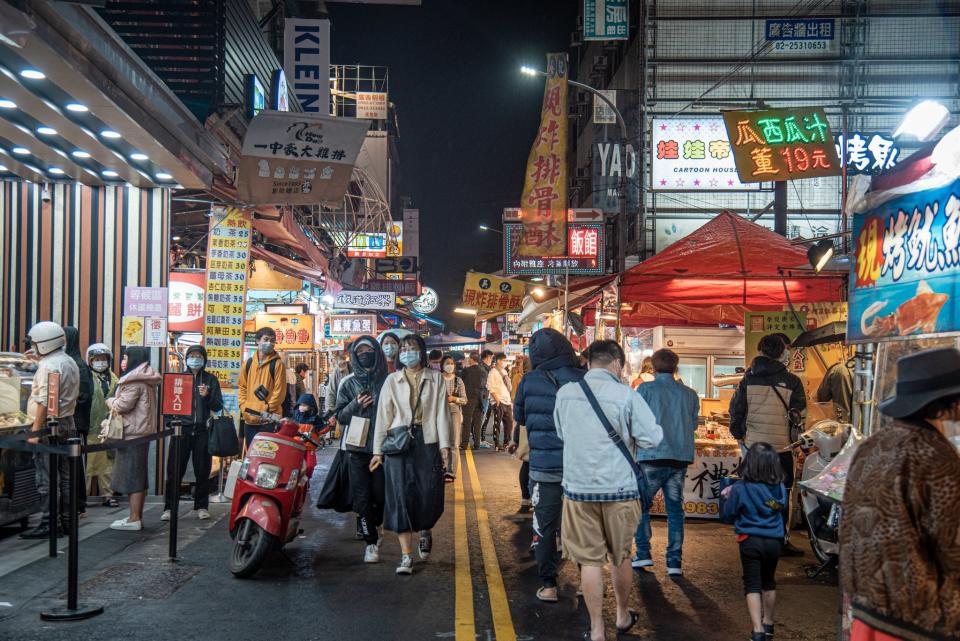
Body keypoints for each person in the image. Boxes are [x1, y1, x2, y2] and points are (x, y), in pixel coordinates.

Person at [840, 347, 960, 641]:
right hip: (915, 620)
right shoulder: (938, 457)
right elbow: (952, 547)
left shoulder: (871, 446)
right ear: (949, 403)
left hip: (866, 612)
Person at [554, 339, 662, 640]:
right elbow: (652, 438)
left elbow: (562, 433)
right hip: (620, 490)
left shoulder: (566, 393)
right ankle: (622, 615)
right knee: (621, 555)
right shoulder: (626, 395)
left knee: (589, 561)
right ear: (617, 363)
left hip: (578, 490)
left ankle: (597, 629)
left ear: (588, 362)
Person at [509, 328, 585, 602]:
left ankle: (549, 585)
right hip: (579, 468)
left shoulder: (529, 381)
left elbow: (521, 418)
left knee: (544, 526)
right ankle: (584, 583)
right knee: (580, 527)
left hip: (543, 469)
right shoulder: (583, 378)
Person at [371, 334, 451, 575]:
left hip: (427, 442)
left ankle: (425, 529)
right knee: (399, 497)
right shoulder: (391, 381)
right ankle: (406, 555)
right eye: (403, 348)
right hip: (398, 444)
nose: (407, 352)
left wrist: (445, 446)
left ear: (421, 351)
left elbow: (442, 414)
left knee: (428, 492)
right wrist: (377, 450)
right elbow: (383, 416)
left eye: (412, 348)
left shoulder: (436, 379)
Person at [729, 334, 806, 556]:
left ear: (761, 351)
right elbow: (799, 416)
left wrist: (740, 436)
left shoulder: (747, 379)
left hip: (754, 447)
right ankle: (779, 540)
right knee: (782, 494)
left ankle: (752, 537)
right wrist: (796, 440)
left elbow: (736, 410)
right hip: (781, 449)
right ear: (782, 352)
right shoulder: (793, 381)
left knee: (754, 492)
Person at [633, 348, 700, 575]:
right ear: (676, 367)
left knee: (640, 505)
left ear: (653, 366)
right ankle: (674, 562)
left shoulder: (644, 389)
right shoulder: (690, 394)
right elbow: (693, 426)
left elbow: (634, 422)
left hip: (650, 456)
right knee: (675, 511)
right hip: (679, 458)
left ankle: (643, 554)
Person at [720, 442, 788, 641]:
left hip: (750, 540)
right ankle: (769, 625)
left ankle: (757, 630)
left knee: (752, 584)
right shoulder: (780, 488)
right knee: (769, 582)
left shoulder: (741, 487)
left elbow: (728, 515)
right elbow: (780, 509)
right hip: (774, 541)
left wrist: (726, 497)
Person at [21, 322, 80, 539]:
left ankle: (49, 523)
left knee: (46, 477)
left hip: (48, 427)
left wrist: (35, 432)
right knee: (64, 476)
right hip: (67, 422)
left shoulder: (49, 366)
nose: (33, 347)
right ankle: (66, 521)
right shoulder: (68, 360)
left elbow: (44, 401)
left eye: (35, 343)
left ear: (45, 344)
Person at [336, 336, 388, 564]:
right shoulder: (347, 383)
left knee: (381, 495)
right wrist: (356, 404)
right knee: (362, 497)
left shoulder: (388, 381)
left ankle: (377, 524)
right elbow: (340, 416)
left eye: (369, 349)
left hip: (382, 448)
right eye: (360, 350)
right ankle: (370, 543)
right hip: (356, 449)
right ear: (354, 355)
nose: (365, 353)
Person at [161, 345, 223, 522]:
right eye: (192, 356)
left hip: (203, 431)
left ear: (204, 359)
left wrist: (208, 396)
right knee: (174, 471)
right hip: (181, 431)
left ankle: (202, 506)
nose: (195, 359)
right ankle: (169, 508)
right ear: (186, 358)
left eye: (199, 356)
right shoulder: (178, 379)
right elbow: (168, 403)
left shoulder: (211, 380)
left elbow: (218, 406)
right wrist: (170, 424)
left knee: (202, 471)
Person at [107, 347, 162, 531]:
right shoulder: (145, 378)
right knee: (137, 475)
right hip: (141, 433)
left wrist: (110, 401)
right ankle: (134, 516)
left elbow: (122, 406)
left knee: (133, 477)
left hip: (132, 434)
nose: (123, 360)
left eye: (125, 357)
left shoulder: (134, 381)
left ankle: (134, 518)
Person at [238, 327, 286, 447]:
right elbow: (242, 387)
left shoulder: (278, 364)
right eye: (266, 339)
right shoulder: (248, 364)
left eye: (272, 340)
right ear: (257, 341)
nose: (269, 343)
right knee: (251, 457)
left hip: (268, 421)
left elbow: (279, 392)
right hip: (249, 420)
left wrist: (267, 409)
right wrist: (243, 406)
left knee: (267, 456)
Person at [85, 343, 119, 507]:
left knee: (108, 464)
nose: (101, 362)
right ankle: (81, 499)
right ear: (90, 361)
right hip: (91, 427)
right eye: (97, 359)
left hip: (109, 428)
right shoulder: (86, 377)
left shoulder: (114, 378)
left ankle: (108, 495)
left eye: (103, 359)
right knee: (88, 465)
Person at [64, 327, 91, 514]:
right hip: (73, 420)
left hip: (75, 422)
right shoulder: (72, 361)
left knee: (75, 464)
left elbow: (85, 394)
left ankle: (79, 503)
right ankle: (77, 503)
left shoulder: (78, 364)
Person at [440, 354, 467, 480]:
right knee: (442, 441)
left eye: (451, 363)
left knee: (454, 442)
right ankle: (442, 468)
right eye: (447, 363)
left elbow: (465, 400)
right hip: (440, 412)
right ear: (442, 365)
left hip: (454, 412)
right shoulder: (438, 379)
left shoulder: (458, 381)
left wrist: (454, 398)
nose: (449, 365)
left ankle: (451, 472)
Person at [486, 353, 514, 450]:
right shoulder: (493, 372)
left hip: (507, 401)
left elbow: (507, 387)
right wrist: (497, 399)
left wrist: (509, 400)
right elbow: (489, 386)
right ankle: (497, 444)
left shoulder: (504, 371)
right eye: (503, 360)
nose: (504, 362)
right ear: (498, 361)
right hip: (498, 400)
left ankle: (506, 443)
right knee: (497, 423)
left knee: (509, 422)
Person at [460, 353, 486, 450]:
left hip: (468, 398)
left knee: (467, 422)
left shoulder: (466, 371)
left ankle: (465, 444)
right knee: (477, 423)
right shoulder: (483, 371)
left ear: (471, 359)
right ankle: (477, 444)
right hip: (480, 399)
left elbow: (461, 382)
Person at [325, 351, 352, 415]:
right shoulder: (339, 370)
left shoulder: (367, 370)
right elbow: (331, 392)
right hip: (342, 411)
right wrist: (330, 413)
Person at [477, 349, 494, 447]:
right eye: (491, 358)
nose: (492, 360)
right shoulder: (482, 368)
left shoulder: (487, 368)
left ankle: (482, 439)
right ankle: (479, 440)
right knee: (482, 418)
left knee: (485, 418)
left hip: (487, 395)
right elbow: (483, 383)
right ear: (487, 357)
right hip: (483, 395)